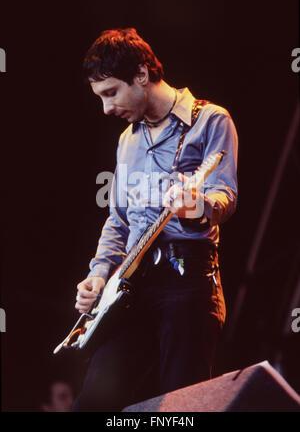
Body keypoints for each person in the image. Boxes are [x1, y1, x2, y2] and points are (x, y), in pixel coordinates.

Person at [72, 28, 238, 412]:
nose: (106, 109)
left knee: (180, 410)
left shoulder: (210, 120)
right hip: (131, 287)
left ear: (142, 75)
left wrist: (196, 207)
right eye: (100, 97)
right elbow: (118, 218)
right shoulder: (127, 140)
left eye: (111, 93)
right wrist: (99, 273)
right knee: (94, 401)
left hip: (188, 284)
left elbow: (224, 197)